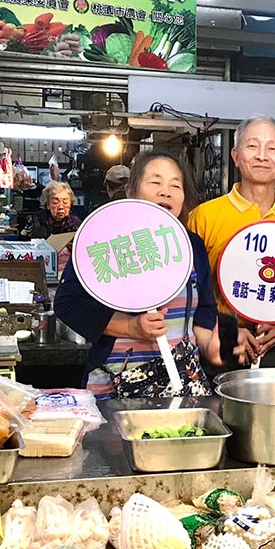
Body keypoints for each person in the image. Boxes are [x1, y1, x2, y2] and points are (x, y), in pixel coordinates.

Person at [55, 150, 221, 398]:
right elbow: (68, 303)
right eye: (155, 182)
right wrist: (130, 327)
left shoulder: (192, 245)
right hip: (116, 388)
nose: (166, 192)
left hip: (183, 386)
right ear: (131, 192)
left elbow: (204, 314)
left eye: (176, 185)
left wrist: (217, 347)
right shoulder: (105, 240)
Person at [188, 115, 275, 367]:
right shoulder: (203, 217)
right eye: (252, 146)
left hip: (274, 346)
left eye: (272, 148)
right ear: (236, 156)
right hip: (217, 346)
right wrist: (226, 330)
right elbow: (188, 293)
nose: (262, 156)